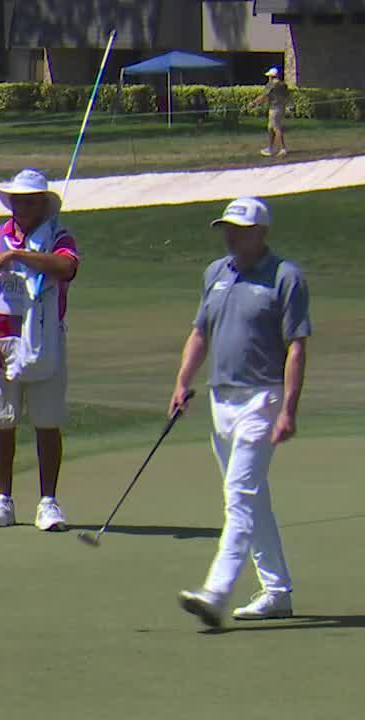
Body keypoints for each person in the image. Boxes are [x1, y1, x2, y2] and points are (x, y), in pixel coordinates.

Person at [173, 198, 311, 627]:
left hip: (263, 398)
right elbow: (200, 333)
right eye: (227, 228)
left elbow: (297, 347)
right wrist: (182, 381)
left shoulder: (285, 277)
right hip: (222, 399)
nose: (231, 235)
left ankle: (215, 591)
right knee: (253, 499)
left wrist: (288, 408)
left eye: (240, 229)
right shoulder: (216, 273)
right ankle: (277, 590)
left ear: (261, 232)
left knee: (239, 498)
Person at [0, 167, 81, 532]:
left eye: (31, 200)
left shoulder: (58, 236)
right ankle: (3, 500)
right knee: (0, 423)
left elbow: (67, 267)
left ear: (43, 203)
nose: (24, 206)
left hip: (45, 340)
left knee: (47, 423)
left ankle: (48, 502)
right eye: (19, 200)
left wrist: (19, 258)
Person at [256, 67, 290, 158]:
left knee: (276, 128)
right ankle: (270, 148)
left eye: (269, 76)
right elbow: (287, 96)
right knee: (271, 128)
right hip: (281, 108)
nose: (269, 78)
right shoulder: (283, 85)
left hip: (274, 108)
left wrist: (254, 103)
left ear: (272, 76)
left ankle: (283, 148)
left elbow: (264, 95)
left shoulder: (271, 85)